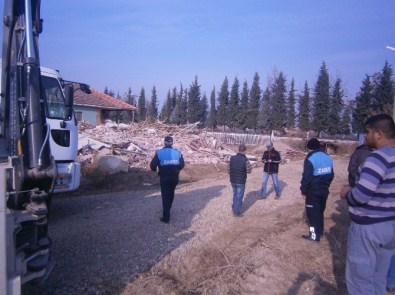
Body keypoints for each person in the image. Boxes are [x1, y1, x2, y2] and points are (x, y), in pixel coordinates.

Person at [340, 114, 395, 295]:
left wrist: (347, 193)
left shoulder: (377, 158)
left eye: (367, 132)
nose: (365, 136)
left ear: (378, 133)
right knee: (378, 280)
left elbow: (361, 196)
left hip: (369, 228)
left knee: (360, 283)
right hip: (390, 227)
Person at [300, 138, 334, 242]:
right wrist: (326, 185)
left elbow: (307, 177)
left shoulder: (310, 159)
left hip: (313, 192)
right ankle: (320, 231)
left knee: (312, 215)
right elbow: (331, 174)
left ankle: (314, 236)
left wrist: (304, 191)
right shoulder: (327, 157)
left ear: (309, 148)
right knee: (319, 212)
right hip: (324, 190)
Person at [150, 136, 185, 224]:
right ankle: (168, 208)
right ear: (172, 143)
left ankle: (166, 217)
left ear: (164, 142)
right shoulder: (177, 152)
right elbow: (182, 164)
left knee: (165, 196)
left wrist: (155, 170)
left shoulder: (159, 152)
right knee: (171, 193)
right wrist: (177, 170)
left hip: (164, 177)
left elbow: (152, 165)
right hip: (174, 177)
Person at [228, 144, 252, 216]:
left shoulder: (232, 158)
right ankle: (236, 211)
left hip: (233, 180)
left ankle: (234, 207)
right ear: (244, 151)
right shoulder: (246, 160)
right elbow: (248, 171)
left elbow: (228, 169)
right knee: (239, 196)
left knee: (235, 194)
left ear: (238, 150)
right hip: (241, 181)